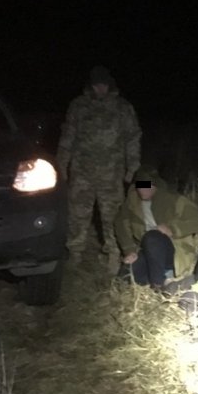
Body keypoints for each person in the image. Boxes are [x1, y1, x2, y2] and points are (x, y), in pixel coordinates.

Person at [57, 66, 142, 270]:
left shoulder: (122, 107)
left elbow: (133, 137)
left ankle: (114, 253)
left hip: (112, 173)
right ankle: (75, 253)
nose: (100, 89)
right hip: (81, 171)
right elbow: (68, 135)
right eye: (96, 85)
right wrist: (62, 163)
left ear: (110, 85)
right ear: (91, 85)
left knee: (113, 216)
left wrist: (132, 167)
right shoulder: (78, 106)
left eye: (103, 84)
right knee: (77, 214)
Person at [114, 166, 198, 289]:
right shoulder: (132, 201)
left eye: (146, 187)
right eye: (139, 187)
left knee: (152, 238)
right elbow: (121, 223)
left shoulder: (173, 200)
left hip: (171, 248)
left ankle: (159, 285)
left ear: (155, 186)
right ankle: (153, 280)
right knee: (125, 277)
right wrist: (129, 249)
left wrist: (173, 229)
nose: (142, 191)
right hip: (145, 249)